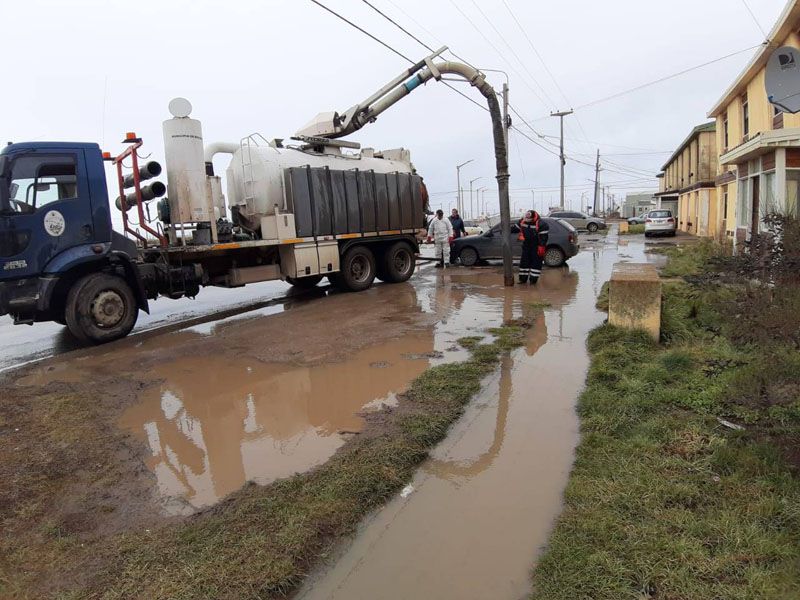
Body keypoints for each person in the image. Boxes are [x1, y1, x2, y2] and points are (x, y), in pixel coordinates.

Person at [518, 210, 549, 284]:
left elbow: (544, 237)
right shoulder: (523, 221)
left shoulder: (542, 224)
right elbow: (515, 228)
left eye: (529, 219)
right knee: (524, 262)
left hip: (536, 245)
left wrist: (541, 246)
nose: (527, 220)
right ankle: (522, 280)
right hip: (526, 245)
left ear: (533, 217)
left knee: (536, 263)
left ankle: (533, 281)